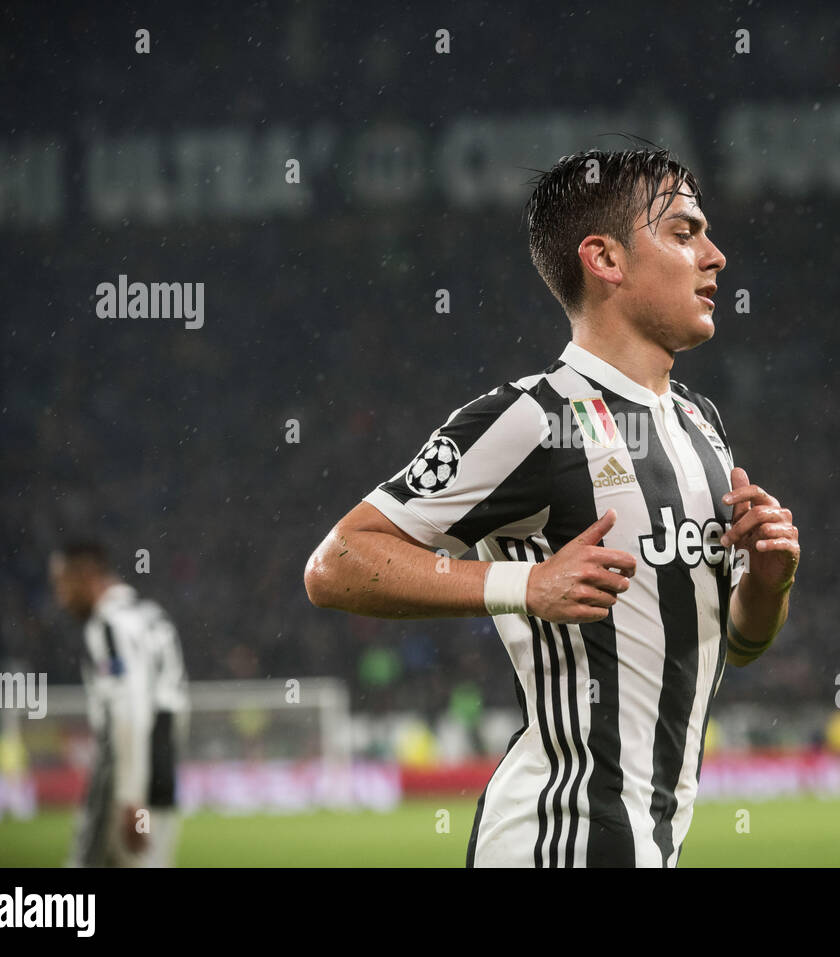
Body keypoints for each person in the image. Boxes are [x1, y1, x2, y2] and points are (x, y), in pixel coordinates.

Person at [305, 147, 799, 867]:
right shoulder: (533, 417)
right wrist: (525, 586)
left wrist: (769, 582)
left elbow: (743, 645)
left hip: (648, 843)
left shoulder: (703, 425)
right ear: (605, 258)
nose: (715, 255)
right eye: (685, 232)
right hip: (557, 839)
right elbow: (338, 561)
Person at [49, 542, 188, 867]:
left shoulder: (110, 626)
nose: (60, 597)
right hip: (162, 774)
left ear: (85, 576)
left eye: (62, 583)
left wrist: (130, 797)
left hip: (125, 782)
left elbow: (130, 711)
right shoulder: (153, 617)